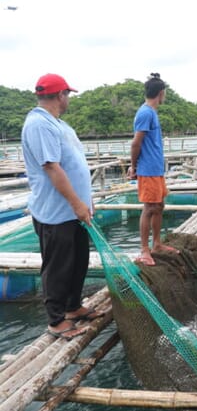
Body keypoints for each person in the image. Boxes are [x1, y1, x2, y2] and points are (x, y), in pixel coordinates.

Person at [21, 73, 103, 340]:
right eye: (67, 94)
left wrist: (85, 199)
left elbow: (73, 164)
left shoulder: (57, 124)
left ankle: (73, 307)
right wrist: (76, 202)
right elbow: (51, 166)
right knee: (58, 266)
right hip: (56, 212)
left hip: (74, 210)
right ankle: (56, 321)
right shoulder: (39, 124)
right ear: (60, 95)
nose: (68, 99)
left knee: (78, 260)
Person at [127, 73, 179, 266]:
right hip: (147, 169)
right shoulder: (145, 113)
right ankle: (144, 249)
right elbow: (136, 143)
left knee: (159, 206)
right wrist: (133, 166)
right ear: (161, 93)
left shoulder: (151, 112)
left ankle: (156, 244)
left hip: (156, 169)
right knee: (149, 208)